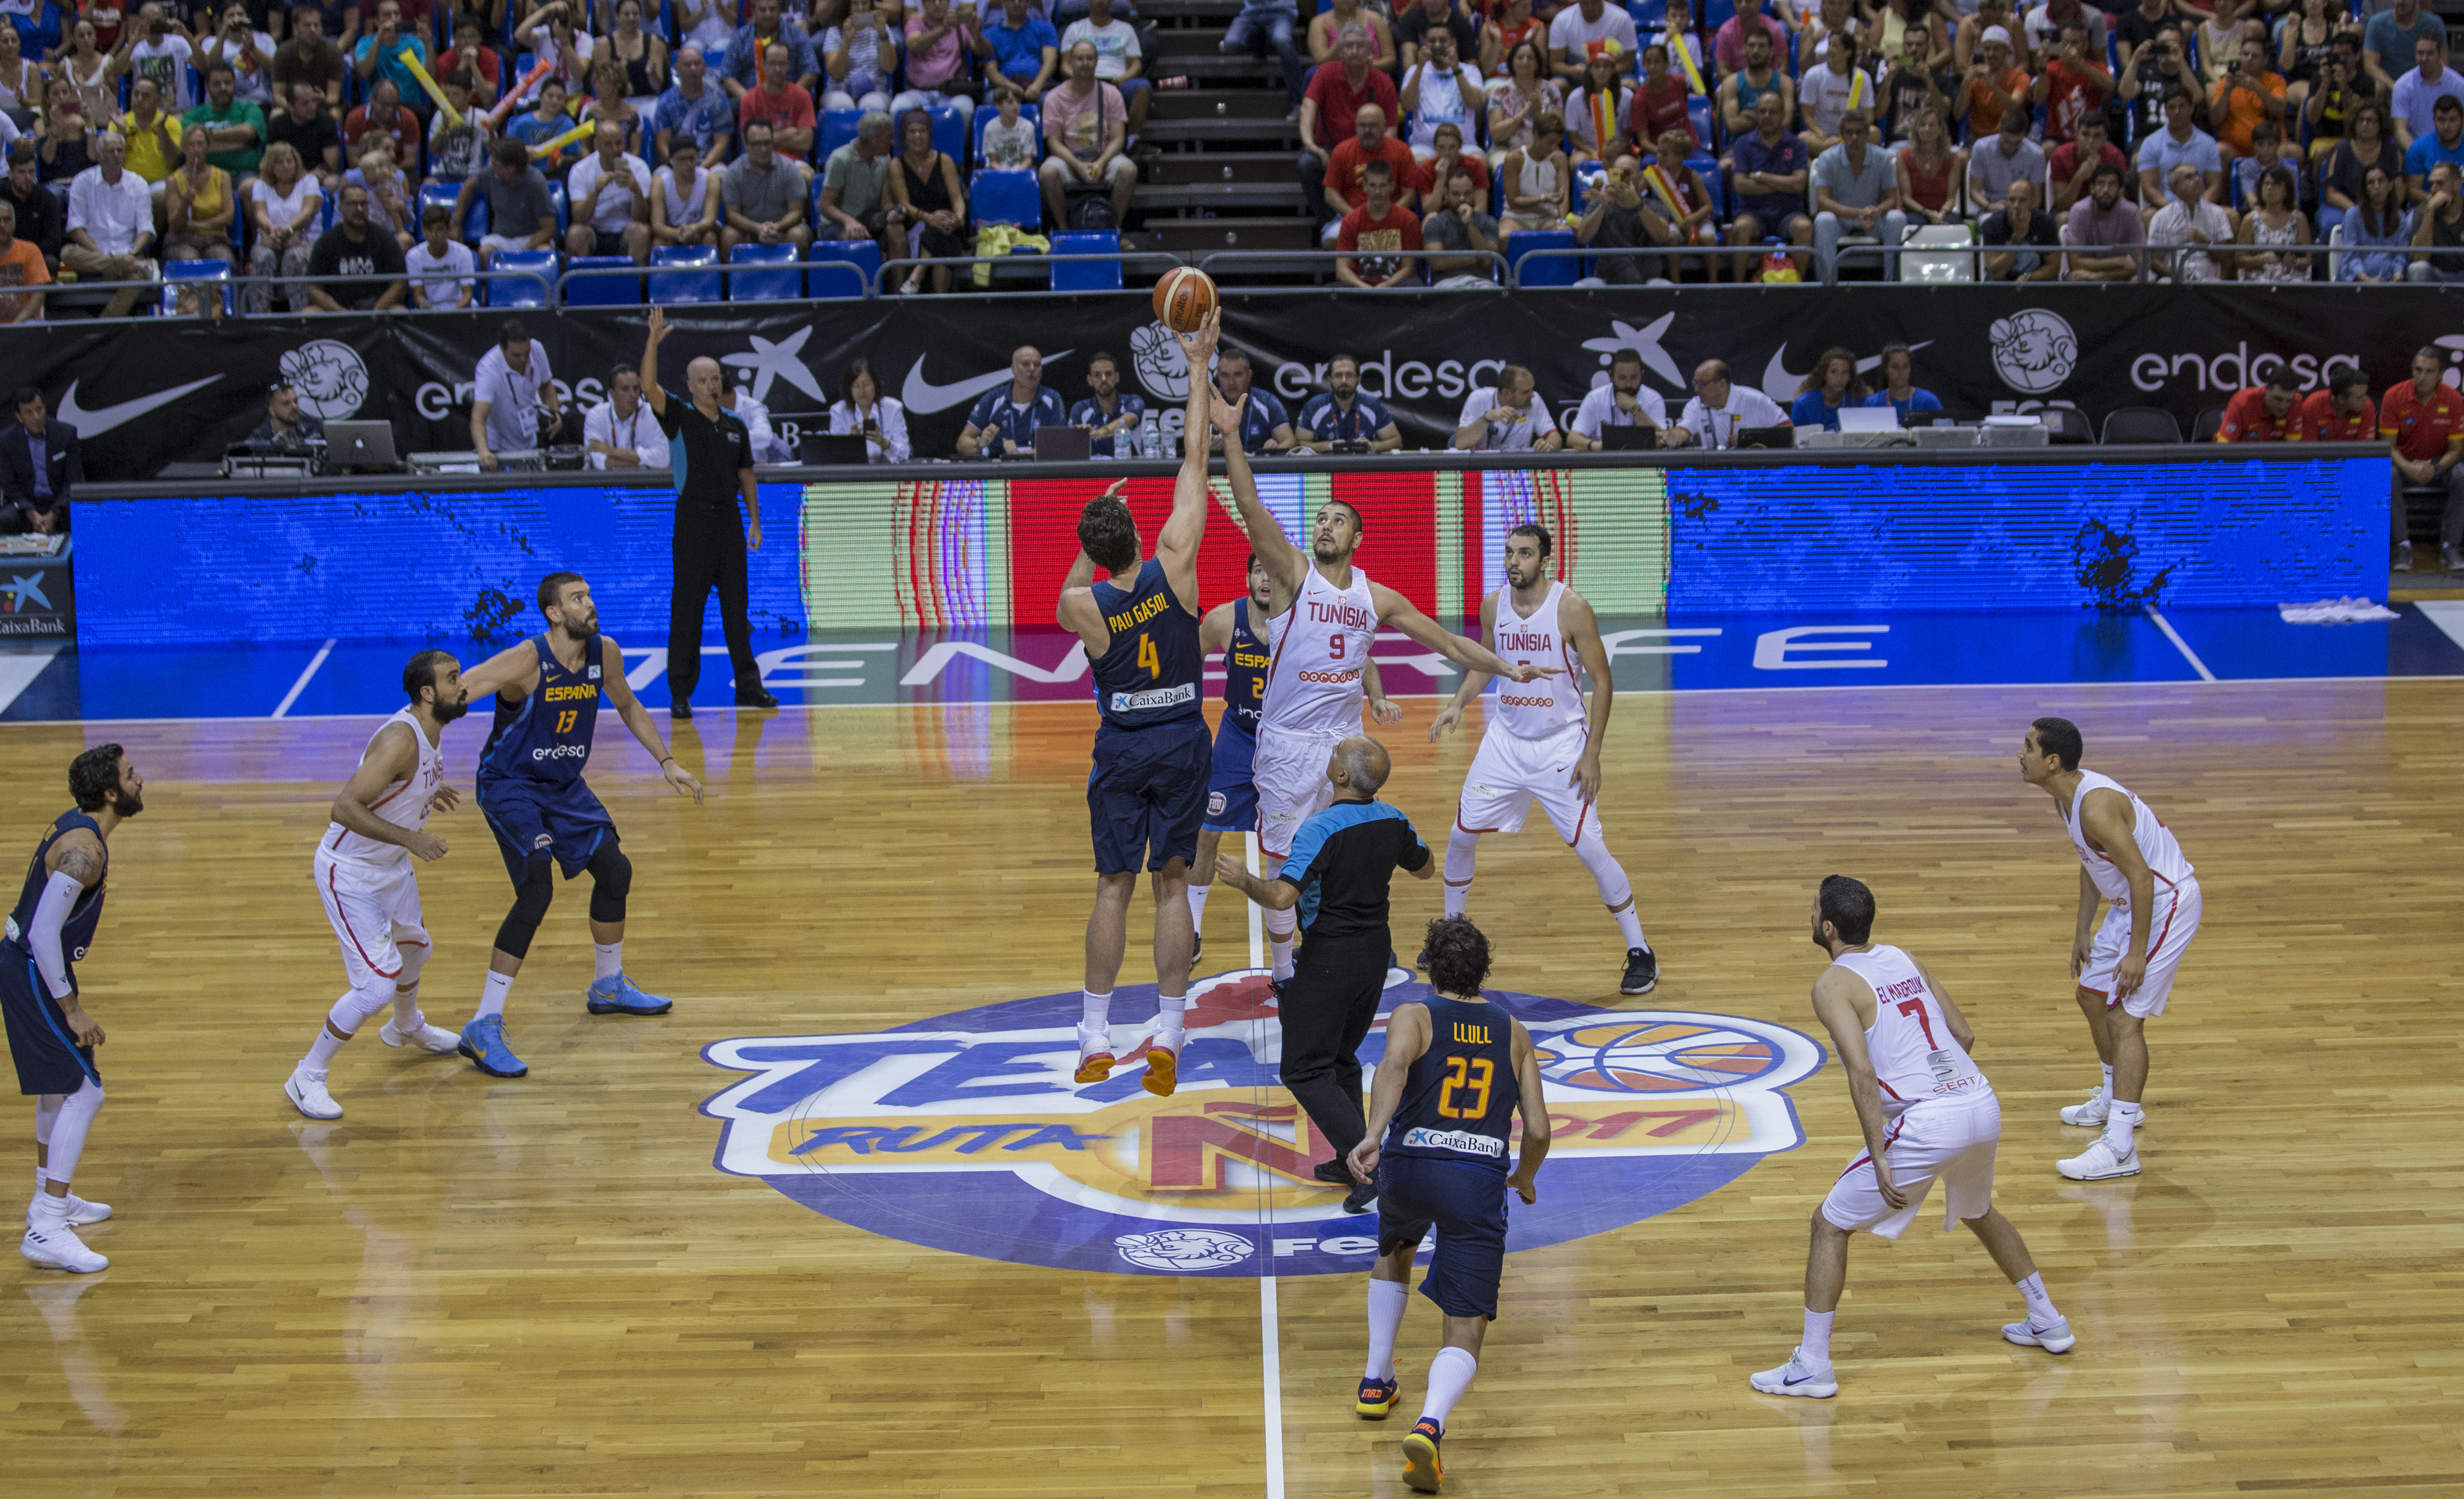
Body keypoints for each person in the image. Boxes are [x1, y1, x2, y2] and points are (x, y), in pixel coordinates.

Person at [1212, 402, 1541, 1003]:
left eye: (1337, 520)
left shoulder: (1376, 596)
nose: (1325, 526)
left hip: (1345, 749)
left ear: (1356, 538)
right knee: (1286, 865)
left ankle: (1345, 940)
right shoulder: (1290, 576)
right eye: (1319, 519)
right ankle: (1286, 972)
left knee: (1342, 853)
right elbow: (1251, 508)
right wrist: (1231, 438)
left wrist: (1503, 667)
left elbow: (1446, 641)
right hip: (1285, 747)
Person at [1748, 874, 2075, 1401]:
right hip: (1978, 1100)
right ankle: (2048, 1319)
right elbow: (1963, 1035)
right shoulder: (1902, 956)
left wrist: (1878, 1153)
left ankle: (1811, 1366)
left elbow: (1860, 1073)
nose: (1810, 916)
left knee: (1828, 1225)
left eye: (1813, 910)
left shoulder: (1833, 985)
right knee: (1978, 1210)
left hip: (1931, 1120)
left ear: (1827, 927)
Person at [1054, 312, 1223, 1098]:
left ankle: (1092, 1031)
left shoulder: (1082, 605)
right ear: (1137, 535)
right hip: (1184, 739)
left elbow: (1065, 587)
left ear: (1095, 550)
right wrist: (1195, 366)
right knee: (1172, 881)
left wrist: (1091, 531)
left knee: (1112, 887)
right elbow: (1195, 459)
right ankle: (1168, 1028)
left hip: (1121, 745)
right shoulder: (1175, 565)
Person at [448, 571, 704, 1081]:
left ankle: (608, 987)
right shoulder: (526, 660)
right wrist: (411, 754)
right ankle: (483, 1023)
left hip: (564, 786)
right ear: (554, 613)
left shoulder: (604, 653)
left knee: (614, 871)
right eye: (578, 598)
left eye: (590, 594)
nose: (590, 603)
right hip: (510, 784)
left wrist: (667, 761)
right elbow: (455, 692)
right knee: (536, 888)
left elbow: (627, 704)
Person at [1342, 914, 1548, 1493]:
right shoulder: (1512, 1032)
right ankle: (1429, 1425)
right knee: (1466, 1323)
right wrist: (1525, 1178)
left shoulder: (1413, 1016)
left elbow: (1393, 1066)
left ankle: (1375, 1379)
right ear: (1483, 972)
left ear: (1428, 969)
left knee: (1395, 1246)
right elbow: (1535, 1128)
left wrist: (1373, 1134)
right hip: (1475, 1178)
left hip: (1408, 1167)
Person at [1209, 734, 1433, 1215]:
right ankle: (1345, 1155)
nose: (1329, 757)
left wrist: (1244, 880)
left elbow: (1283, 899)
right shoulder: (1394, 818)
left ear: (1341, 777)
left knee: (1304, 1068)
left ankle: (1367, 1164)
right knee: (1339, 1058)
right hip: (1376, 955)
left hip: (1331, 958)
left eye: (1335, 755)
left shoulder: (1320, 828)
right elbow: (1426, 868)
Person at [1426, 523, 1656, 993]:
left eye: (1524, 554)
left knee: (1591, 850)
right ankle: (1449, 934)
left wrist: (1592, 753)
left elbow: (1603, 682)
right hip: (1505, 742)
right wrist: (1456, 704)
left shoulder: (1571, 608)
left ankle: (1640, 950)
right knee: (1459, 835)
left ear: (1544, 559)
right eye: (1509, 552)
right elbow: (1485, 664)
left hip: (1560, 745)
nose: (1514, 561)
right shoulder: (1493, 605)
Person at [280, 653, 470, 1121]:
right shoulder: (399, 741)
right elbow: (344, 807)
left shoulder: (430, 731)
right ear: (427, 694)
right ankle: (307, 1076)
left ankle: (406, 1027)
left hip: (390, 867)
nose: (462, 685)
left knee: (417, 950)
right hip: (351, 872)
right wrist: (413, 837)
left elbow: (395, 788)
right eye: (452, 680)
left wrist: (426, 793)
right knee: (374, 987)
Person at [2016, 716, 2201, 1181]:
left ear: (2052, 762)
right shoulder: (2068, 801)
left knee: (2124, 1018)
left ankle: (2120, 1147)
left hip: (2164, 902)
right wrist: (2083, 929)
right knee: (2090, 995)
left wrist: (2136, 952)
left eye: (2027, 748)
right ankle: (2114, 1096)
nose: (2019, 755)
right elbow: (2093, 862)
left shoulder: (2095, 806)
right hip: (2129, 903)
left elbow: (2141, 876)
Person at [6, 745, 145, 1274]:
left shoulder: (80, 829)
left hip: (32, 965)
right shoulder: (84, 852)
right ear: (110, 794)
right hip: (31, 971)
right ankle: (47, 1225)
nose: (141, 781)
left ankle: (51, 1198)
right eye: (131, 776)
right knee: (86, 1091)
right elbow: (44, 933)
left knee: (56, 1088)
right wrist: (72, 1009)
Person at [1300, 23, 1399, 212]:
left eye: (1360, 46)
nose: (1354, 51)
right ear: (1341, 51)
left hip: (1369, 148)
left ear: (1370, 52)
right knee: (1307, 163)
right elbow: (1307, 108)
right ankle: (1329, 223)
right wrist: (1310, 144)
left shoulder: (1383, 82)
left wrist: (1379, 154)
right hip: (1330, 149)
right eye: (1349, 46)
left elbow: (1391, 130)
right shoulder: (1325, 73)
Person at [2383, 343, 2464, 572]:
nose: (2422, 376)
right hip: (2405, 465)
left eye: (2429, 372)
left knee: (2462, 473)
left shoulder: (2453, 398)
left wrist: (2434, 468)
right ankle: (2402, 545)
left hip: (2439, 465)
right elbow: (2388, 448)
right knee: (2387, 474)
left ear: (2440, 375)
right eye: (2418, 370)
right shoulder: (2394, 396)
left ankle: (2451, 545)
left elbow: (2457, 450)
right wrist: (2411, 468)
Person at [1039, 38, 1135, 228]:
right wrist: (1077, 165)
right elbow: (1054, 142)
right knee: (1048, 172)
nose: (1085, 63)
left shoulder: (1111, 93)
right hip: (1070, 158)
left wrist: (1100, 163)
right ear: (1070, 62)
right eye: (1079, 59)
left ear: (1097, 61)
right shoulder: (1055, 98)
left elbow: (1118, 137)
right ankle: (1064, 229)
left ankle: (1114, 228)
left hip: (1102, 156)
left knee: (1128, 170)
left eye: (1090, 59)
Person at [64, 131, 156, 319]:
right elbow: (76, 228)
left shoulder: (138, 184)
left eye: (120, 151)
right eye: (110, 151)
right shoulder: (82, 182)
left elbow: (145, 229)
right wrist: (110, 261)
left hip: (128, 253)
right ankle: (122, 265)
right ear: (98, 156)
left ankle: (104, 324)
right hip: (93, 254)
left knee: (138, 278)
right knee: (66, 253)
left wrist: (130, 254)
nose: (116, 155)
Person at [1729, 91, 1817, 280]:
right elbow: (1741, 186)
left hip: (1789, 213)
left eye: (1773, 112)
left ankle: (1797, 286)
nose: (1767, 116)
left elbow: (1800, 185)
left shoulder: (1798, 145)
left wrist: (1762, 177)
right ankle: (1738, 289)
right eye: (1762, 111)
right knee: (1741, 227)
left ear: (1783, 113)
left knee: (1804, 227)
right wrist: (1784, 183)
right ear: (1756, 114)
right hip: (1753, 213)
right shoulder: (1743, 144)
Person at [1810, 110, 1905, 280]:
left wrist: (1876, 211)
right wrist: (1859, 213)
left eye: (1859, 132)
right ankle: (1827, 287)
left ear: (1868, 134)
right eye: (1849, 132)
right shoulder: (1827, 158)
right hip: (1839, 220)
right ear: (1842, 134)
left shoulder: (1884, 158)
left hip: (1873, 218)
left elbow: (1892, 200)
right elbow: (1823, 202)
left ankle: (1892, 284)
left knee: (1897, 218)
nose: (1854, 137)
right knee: (1824, 220)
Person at [470, 318, 564, 469]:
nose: (523, 359)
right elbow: (478, 418)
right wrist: (484, 452)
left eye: (526, 353)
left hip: (530, 442)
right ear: (502, 348)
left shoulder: (537, 349)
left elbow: (547, 387)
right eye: (516, 355)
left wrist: (555, 412)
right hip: (498, 448)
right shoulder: (487, 369)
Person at [1323, 100, 1418, 241]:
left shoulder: (1401, 151)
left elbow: (1410, 194)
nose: (1367, 130)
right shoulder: (1342, 151)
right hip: (1352, 216)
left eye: (1373, 125)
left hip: (1392, 218)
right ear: (1356, 126)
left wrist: (1386, 217)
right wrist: (1355, 217)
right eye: (1363, 125)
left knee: (1411, 237)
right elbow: (1330, 193)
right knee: (1331, 240)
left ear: (1384, 126)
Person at [455, 138, 558, 268]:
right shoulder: (492, 175)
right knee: (485, 253)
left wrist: (526, 249)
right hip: (501, 237)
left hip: (531, 237)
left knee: (544, 252)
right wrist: (456, 222)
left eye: (496, 165)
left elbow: (548, 229)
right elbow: (470, 184)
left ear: (511, 169)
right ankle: (490, 288)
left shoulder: (536, 182)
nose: (492, 168)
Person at [304, 180, 407, 310]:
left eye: (363, 204)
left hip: (378, 310)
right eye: (353, 204)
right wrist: (340, 313)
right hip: (338, 312)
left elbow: (400, 283)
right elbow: (313, 288)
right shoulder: (326, 243)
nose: (359, 209)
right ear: (341, 208)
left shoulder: (385, 239)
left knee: (399, 311)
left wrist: (376, 311)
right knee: (310, 313)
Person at [244, 139, 321, 312]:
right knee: (263, 257)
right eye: (279, 162)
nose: (286, 166)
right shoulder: (261, 185)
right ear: (271, 166)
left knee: (295, 257)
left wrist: (289, 229)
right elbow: (260, 214)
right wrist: (273, 230)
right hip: (269, 237)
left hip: (302, 236)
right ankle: (261, 316)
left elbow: (307, 211)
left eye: (290, 161)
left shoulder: (309, 181)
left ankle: (299, 314)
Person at [720, 116, 813, 256]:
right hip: (748, 233)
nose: (763, 149)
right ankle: (734, 278)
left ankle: (798, 278)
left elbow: (797, 212)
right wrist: (758, 229)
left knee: (798, 235)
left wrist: (777, 227)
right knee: (729, 235)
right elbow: (732, 214)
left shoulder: (789, 168)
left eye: (767, 143)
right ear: (745, 144)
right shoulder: (733, 172)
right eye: (757, 144)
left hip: (783, 230)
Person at [567, 118, 654, 264]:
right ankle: (580, 286)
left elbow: (642, 219)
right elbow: (579, 218)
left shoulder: (639, 167)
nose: (615, 150)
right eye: (608, 144)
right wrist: (595, 192)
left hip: (626, 231)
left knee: (641, 231)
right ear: (596, 145)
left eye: (619, 143)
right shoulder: (581, 170)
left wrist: (636, 190)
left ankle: (635, 286)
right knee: (576, 233)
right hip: (594, 230)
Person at [957, 344, 1067, 458]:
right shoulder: (994, 398)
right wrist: (979, 444)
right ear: (1013, 369)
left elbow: (1060, 446)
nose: (1032, 369)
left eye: (1037, 365)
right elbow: (962, 443)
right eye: (1025, 364)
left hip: (1038, 470)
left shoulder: (1053, 398)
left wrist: (1021, 456)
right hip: (999, 472)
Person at [1061, 0, 1147, 142]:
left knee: (1142, 87)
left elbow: (1136, 65)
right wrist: (1082, 79)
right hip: (1083, 81)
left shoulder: (1126, 29)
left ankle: (1133, 140)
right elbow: (1065, 65)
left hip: (1118, 81)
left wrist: (1120, 79)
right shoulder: (1075, 29)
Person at [892, 0, 979, 129]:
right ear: (924, 4)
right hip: (918, 93)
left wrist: (977, 34)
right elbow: (914, 44)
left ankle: (957, 149)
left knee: (964, 107)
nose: (938, 4)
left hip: (952, 93)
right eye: (932, 1)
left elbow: (982, 51)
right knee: (898, 107)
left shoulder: (961, 26)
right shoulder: (914, 23)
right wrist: (943, 30)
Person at [1, 386, 76, 536]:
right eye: (29, 413)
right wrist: (32, 513)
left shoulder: (66, 434)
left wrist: (54, 513)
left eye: (39, 409)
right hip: (26, 505)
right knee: (4, 519)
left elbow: (74, 480)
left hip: (59, 503)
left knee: (84, 517)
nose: (36, 416)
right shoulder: (6, 441)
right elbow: (10, 486)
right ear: (19, 417)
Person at [815, 109, 891, 256]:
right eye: (888, 138)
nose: (892, 142)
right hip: (837, 224)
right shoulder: (841, 159)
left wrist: (893, 213)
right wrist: (849, 221)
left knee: (896, 231)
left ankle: (898, 278)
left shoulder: (885, 159)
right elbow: (826, 207)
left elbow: (886, 202)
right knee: (856, 236)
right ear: (873, 139)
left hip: (870, 219)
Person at [1335, 157, 1421, 286]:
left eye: (1382, 186)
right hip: (1361, 286)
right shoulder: (1351, 221)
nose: (1377, 192)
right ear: (1365, 186)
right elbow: (1341, 270)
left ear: (1391, 186)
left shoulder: (1408, 220)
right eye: (1373, 185)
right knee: (1333, 289)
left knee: (1414, 286)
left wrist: (1386, 286)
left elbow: (1408, 269)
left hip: (1395, 286)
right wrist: (1364, 288)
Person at [1402, 24, 1484, 159]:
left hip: (1463, 145)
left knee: (1479, 161)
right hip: (1425, 145)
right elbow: (1407, 105)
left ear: (1453, 43)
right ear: (1425, 44)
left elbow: (1475, 103)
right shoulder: (1415, 71)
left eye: (1443, 41)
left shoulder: (1470, 71)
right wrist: (1420, 68)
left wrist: (1456, 69)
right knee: (1415, 161)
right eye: (1432, 41)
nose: (1437, 45)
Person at [1295, 353, 1404, 452]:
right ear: (1329, 380)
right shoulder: (1314, 406)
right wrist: (1327, 446)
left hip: (1364, 469)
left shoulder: (1373, 405)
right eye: (1338, 376)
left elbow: (1397, 442)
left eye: (1349, 375)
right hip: (1326, 469)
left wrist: (1372, 446)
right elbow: (1298, 445)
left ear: (1359, 380)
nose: (1344, 381)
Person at [1670, 358, 1787, 448]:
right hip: (1715, 471)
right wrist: (1672, 438)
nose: (1696, 389)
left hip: (1755, 469)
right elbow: (1683, 430)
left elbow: (1788, 431)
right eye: (1695, 383)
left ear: (1722, 384)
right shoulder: (1695, 405)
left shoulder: (1755, 400)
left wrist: (1749, 439)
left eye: (1702, 384)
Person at [1567, 348, 1673, 448]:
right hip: (1606, 463)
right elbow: (1572, 439)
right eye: (1622, 378)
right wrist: (1596, 446)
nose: (1628, 384)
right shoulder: (1595, 398)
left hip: (1642, 464)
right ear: (1611, 376)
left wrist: (1635, 409)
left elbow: (1663, 440)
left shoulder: (1653, 399)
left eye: (1634, 377)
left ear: (1642, 375)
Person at [2147, 161, 2236, 280]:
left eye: (2197, 175)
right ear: (2174, 187)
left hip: (2208, 280)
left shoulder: (2217, 213)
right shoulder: (2161, 217)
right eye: (2189, 177)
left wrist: (2205, 243)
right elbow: (2155, 260)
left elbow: (2226, 257)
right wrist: (2178, 275)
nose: (2197, 179)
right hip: (2173, 279)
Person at [2209, 32, 2287, 166]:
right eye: (2245, 54)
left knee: (2293, 152)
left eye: (2255, 56)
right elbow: (2215, 119)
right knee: (2219, 150)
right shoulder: (2225, 83)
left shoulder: (2276, 81)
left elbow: (2279, 110)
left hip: (2271, 147)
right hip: (2235, 149)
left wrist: (2257, 88)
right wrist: (2226, 92)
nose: (2249, 59)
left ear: (2265, 60)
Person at [653, 45, 735, 169]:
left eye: (697, 64)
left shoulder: (719, 100)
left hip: (709, 165)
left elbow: (721, 145)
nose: (693, 69)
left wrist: (701, 170)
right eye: (687, 65)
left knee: (721, 172)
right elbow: (663, 144)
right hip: (675, 166)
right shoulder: (665, 101)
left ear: (704, 67)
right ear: (677, 69)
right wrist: (677, 168)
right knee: (660, 176)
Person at [720, 0, 819, 101]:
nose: (768, 14)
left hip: (789, 101)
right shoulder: (740, 37)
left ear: (780, 11)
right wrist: (748, 99)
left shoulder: (796, 34)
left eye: (772, 9)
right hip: (750, 100)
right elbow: (728, 75)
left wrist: (790, 97)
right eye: (763, 10)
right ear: (754, 12)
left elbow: (811, 71)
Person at [1424, 162, 1503, 286]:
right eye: (1456, 194)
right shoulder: (1435, 223)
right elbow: (1437, 262)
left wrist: (1469, 224)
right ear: (1447, 195)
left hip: (1481, 283)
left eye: (1467, 193)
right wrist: (1476, 258)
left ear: (1474, 193)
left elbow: (1487, 260)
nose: (1462, 198)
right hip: (1445, 284)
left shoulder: (1488, 222)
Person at [1224, 0, 1309, 116]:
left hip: (1282, 12)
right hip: (1252, 12)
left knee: (1282, 40)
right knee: (1231, 44)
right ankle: (1260, 45)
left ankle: (1298, 102)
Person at [2062, 162, 2143, 281]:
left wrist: (2099, 276)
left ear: (2120, 189)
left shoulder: (2131, 212)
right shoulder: (2079, 211)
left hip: (2117, 275)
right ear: (2092, 188)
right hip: (2086, 274)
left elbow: (2140, 262)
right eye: (2101, 183)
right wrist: (2120, 261)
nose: (2106, 190)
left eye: (2112, 184)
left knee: (2138, 279)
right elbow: (2075, 263)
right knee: (2077, 278)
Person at [1965, 99, 2045, 217]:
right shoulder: (1981, 148)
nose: (2010, 147)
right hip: (1991, 206)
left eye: (2017, 143)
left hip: (2024, 209)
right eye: (2006, 141)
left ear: (2025, 135)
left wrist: (2019, 211)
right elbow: (1974, 191)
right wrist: (1989, 207)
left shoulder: (2037, 154)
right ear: (2000, 130)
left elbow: (2036, 198)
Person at [584, 362, 671, 470]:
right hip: (607, 484)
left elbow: (662, 459)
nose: (633, 395)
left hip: (646, 484)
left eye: (636, 388)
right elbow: (597, 461)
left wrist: (612, 451)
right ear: (612, 393)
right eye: (625, 389)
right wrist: (643, 462)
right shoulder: (596, 415)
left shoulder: (653, 414)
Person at [1451, 365, 1559, 451]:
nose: (1532, 395)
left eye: (1532, 389)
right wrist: (1487, 418)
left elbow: (1555, 438)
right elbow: (1461, 444)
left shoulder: (1534, 402)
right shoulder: (1479, 398)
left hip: (1517, 469)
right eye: (1526, 392)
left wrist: (1549, 445)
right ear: (1507, 393)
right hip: (1481, 469)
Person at [2235, 162, 2311, 281]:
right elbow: (2239, 260)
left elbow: (2307, 259)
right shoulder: (2250, 220)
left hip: (2291, 278)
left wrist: (2295, 262)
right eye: (2267, 184)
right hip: (2260, 279)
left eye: (2276, 184)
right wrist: (2261, 259)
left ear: (2287, 190)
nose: (2270, 188)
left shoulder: (2299, 219)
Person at [975, 0, 1061, 105]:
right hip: (1004, 87)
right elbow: (991, 71)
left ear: (1028, 3)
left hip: (1039, 86)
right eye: (1011, 0)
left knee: (1051, 100)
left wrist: (1037, 86)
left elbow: (1051, 61)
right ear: (1004, 3)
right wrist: (1011, 87)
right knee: (991, 99)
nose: (1016, 3)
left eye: (1021, 0)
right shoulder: (989, 34)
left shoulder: (1046, 27)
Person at [823, 0, 902, 114]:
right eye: (855, 3)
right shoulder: (834, 32)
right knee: (842, 105)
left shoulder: (882, 29)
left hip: (875, 90)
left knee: (872, 106)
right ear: (847, 6)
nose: (860, 8)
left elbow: (889, 67)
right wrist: (847, 41)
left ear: (871, 5)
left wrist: (883, 34)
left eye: (865, 3)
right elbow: (835, 73)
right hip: (840, 90)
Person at [1210, 348, 1295, 454]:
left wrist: (1274, 450)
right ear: (1218, 377)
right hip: (1220, 467)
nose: (1231, 382)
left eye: (1238, 375)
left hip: (1259, 467)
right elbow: (1190, 447)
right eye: (1225, 375)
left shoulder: (1267, 401)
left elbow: (1290, 442)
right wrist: (1208, 450)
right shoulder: (1207, 403)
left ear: (1249, 376)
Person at [2338, 165, 2413, 283]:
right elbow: (2351, 256)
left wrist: (2398, 275)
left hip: (2390, 282)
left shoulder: (2400, 217)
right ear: (2366, 188)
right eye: (2371, 183)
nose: (2377, 186)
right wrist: (2367, 280)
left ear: (2390, 185)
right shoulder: (2353, 215)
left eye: (2381, 181)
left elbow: (2401, 255)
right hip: (2358, 282)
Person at [827, 358, 911, 463]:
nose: (862, 391)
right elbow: (834, 457)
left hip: (887, 474)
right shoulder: (839, 411)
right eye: (856, 386)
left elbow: (905, 454)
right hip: (854, 475)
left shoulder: (893, 408)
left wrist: (885, 444)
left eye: (866, 384)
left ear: (875, 384)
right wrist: (850, 443)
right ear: (850, 389)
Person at [2391, 34, 2464, 152]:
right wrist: (2420, 154)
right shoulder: (2403, 85)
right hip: (2414, 151)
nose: (2424, 59)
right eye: (2420, 53)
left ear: (2440, 54)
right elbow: (2400, 131)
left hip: (2451, 152)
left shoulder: (2459, 85)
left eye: (2430, 53)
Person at [350, 0, 427, 111]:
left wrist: (428, 43)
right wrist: (378, 41)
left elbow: (424, 80)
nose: (393, 18)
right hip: (376, 107)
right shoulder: (365, 44)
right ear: (376, 21)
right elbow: (364, 72)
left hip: (409, 107)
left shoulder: (415, 44)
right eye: (387, 15)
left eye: (397, 14)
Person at [1067, 350, 1146, 459]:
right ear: (1090, 380)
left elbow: (1128, 420)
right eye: (1097, 375)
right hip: (1092, 473)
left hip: (1129, 470)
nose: (1104, 379)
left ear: (1117, 377)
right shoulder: (1080, 409)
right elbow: (1070, 446)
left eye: (1108, 374)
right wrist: (1079, 434)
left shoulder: (1134, 401)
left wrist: (1097, 433)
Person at [1718, 28, 1792, 143]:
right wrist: (1770, 120)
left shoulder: (1785, 83)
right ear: (1744, 49)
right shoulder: (1731, 83)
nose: (1756, 51)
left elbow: (1785, 123)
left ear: (1771, 51)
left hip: (1775, 146)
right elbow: (1732, 125)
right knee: (1726, 162)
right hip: (1739, 146)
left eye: (1762, 46)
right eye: (1752, 46)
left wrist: (1749, 115)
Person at [2047, 109, 2123, 214]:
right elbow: (2063, 206)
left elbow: (2118, 201)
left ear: (2105, 138)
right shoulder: (2060, 156)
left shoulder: (2115, 157)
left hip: (2105, 210)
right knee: (2064, 217)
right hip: (2071, 211)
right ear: (2077, 134)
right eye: (2086, 134)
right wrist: (2080, 177)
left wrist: (2098, 174)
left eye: (2097, 136)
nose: (2091, 141)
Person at [654, 135, 721, 247]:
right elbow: (657, 226)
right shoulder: (660, 183)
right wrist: (678, 234)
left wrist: (693, 229)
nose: (689, 164)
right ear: (671, 160)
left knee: (710, 238)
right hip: (672, 230)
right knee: (658, 243)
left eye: (692, 159)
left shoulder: (710, 179)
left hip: (700, 229)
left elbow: (710, 219)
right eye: (682, 160)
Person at [406, 203, 476, 308]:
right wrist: (434, 313)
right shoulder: (413, 256)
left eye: (439, 229)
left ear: (448, 230)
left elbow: (467, 294)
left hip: (459, 310)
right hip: (430, 312)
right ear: (423, 230)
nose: (434, 235)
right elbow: (418, 296)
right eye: (429, 229)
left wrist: (451, 314)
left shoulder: (463, 252)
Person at [2407, 158, 2464, 282]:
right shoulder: (2424, 210)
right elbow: (2419, 257)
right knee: (2417, 269)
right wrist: (2430, 211)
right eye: (2432, 184)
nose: (2434, 189)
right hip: (2436, 275)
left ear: (2458, 185)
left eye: (2440, 183)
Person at [2215, 366, 2304, 441]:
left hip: (2273, 461)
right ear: (2267, 388)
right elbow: (2222, 451)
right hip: (2239, 460)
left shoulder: (2296, 402)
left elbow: (2292, 450)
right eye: (2278, 399)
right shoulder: (2242, 403)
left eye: (2289, 401)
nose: (2283, 406)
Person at [1790, 347, 1868, 429]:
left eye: (1845, 373)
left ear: (1850, 377)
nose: (1839, 378)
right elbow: (1799, 439)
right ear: (1824, 374)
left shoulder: (1860, 402)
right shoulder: (1803, 404)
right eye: (1834, 372)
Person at [1860, 342, 1943, 420]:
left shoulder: (1929, 401)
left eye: (1905, 367)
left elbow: (1945, 432)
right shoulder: (1873, 404)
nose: (1901, 372)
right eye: (1895, 367)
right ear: (1886, 369)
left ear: (1910, 368)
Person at [2405, 94, 2464, 201]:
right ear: (2434, 121)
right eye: (2441, 120)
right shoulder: (2418, 148)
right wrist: (2441, 202)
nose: (2447, 126)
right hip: (2429, 204)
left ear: (2462, 121)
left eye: (2453, 120)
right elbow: (2413, 191)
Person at [0, 199, 48, 323]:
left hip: (24, 324)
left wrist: (14, 327)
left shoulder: (30, 250)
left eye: (7, 220)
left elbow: (38, 296)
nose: (2, 225)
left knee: (34, 325)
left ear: (14, 222)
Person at [2302, 365, 2377, 441]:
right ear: (2341, 398)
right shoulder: (2312, 406)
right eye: (2359, 397)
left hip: (2354, 453)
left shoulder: (2367, 407)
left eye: (2365, 394)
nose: (2365, 399)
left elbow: (2365, 449)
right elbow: (2308, 449)